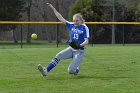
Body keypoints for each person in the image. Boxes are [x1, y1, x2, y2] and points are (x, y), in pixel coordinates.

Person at [38, 3, 89, 76]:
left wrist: (79, 45)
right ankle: (46, 70)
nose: (75, 22)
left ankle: (76, 69)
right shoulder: (71, 25)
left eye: (77, 21)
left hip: (79, 51)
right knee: (58, 56)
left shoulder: (84, 27)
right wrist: (53, 8)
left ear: (81, 20)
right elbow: (60, 18)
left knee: (70, 71)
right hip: (71, 49)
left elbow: (86, 41)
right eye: (74, 20)